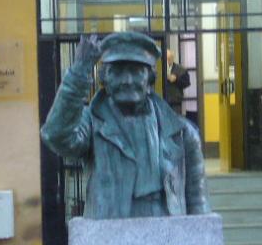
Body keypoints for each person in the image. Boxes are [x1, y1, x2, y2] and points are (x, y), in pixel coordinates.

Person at [40, 32, 210, 219]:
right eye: (118, 71)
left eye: (136, 72)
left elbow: (198, 203)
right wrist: (79, 72)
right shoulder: (91, 123)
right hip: (109, 230)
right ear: (105, 79)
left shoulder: (182, 133)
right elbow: (55, 136)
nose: (127, 80)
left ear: (149, 80)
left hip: (167, 231)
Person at [164, 49, 190, 115]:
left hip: (175, 103)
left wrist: (176, 80)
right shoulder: (159, 68)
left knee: (175, 119)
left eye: (169, 59)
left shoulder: (181, 69)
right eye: (165, 59)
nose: (167, 61)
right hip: (162, 101)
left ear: (172, 58)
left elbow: (187, 83)